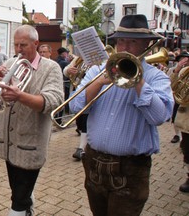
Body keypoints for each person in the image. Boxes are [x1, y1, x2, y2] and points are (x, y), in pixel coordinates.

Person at [69, 14, 174, 216]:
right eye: (121, 40)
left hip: (131, 169)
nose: (124, 47)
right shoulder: (99, 71)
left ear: (147, 44)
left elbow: (159, 117)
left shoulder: (156, 77)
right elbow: (75, 106)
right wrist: (99, 82)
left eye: (132, 41)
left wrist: (138, 81)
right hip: (94, 163)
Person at [0, 25, 63, 216]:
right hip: (9, 143)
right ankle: (28, 210)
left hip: (31, 144)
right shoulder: (11, 62)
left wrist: (20, 96)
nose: (18, 49)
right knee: (18, 192)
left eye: (23, 45)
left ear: (36, 44)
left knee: (18, 199)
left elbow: (53, 101)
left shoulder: (51, 68)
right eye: (16, 45)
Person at [170, 51, 189, 192]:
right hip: (187, 117)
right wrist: (176, 71)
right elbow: (171, 87)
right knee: (187, 148)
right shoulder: (185, 71)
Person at [63, 57, 89, 160]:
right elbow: (66, 70)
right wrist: (68, 71)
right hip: (78, 91)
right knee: (81, 120)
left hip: (92, 91)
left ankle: (81, 148)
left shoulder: (99, 59)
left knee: (86, 120)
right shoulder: (79, 59)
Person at [55, 47, 71, 124]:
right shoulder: (63, 62)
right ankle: (58, 119)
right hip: (65, 84)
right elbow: (71, 66)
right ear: (63, 53)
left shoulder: (57, 60)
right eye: (66, 53)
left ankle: (57, 118)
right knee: (63, 101)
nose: (67, 55)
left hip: (59, 83)